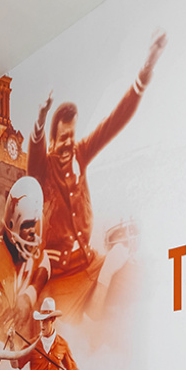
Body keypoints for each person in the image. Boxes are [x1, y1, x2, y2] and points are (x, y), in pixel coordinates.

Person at [27, 31, 167, 320]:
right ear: (53, 141)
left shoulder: (81, 153)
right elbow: (34, 153)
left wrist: (146, 69)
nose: (67, 144)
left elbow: (114, 121)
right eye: (62, 138)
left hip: (89, 263)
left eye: (71, 137)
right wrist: (40, 119)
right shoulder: (44, 167)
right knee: (78, 333)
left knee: (133, 277)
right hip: (63, 276)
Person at [0, 176, 51, 341]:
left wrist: (29, 296)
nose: (33, 232)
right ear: (12, 226)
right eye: (27, 225)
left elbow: (45, 262)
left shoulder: (33, 240)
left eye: (34, 224)